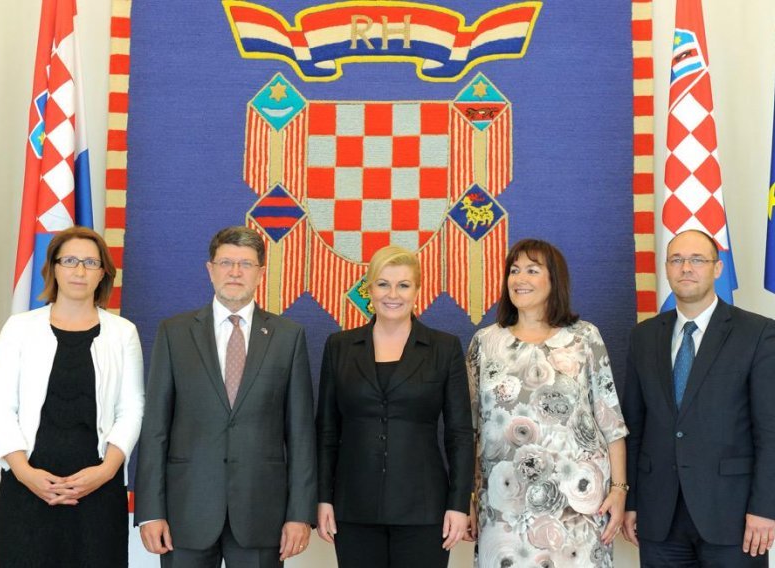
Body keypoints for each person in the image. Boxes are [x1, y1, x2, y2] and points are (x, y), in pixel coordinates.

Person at [134, 225, 316, 568]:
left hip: (261, 513)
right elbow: (155, 427)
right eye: (226, 263)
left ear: (260, 273)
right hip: (186, 511)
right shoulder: (174, 333)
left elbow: (301, 434)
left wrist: (300, 513)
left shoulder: (288, 337)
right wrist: (150, 511)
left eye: (246, 264)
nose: (235, 272)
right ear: (210, 269)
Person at [0, 226, 144, 567]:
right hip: (27, 488)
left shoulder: (123, 333)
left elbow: (132, 409)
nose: (79, 271)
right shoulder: (19, 328)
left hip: (99, 489)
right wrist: (26, 474)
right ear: (53, 268)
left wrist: (105, 471)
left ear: (103, 273)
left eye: (90, 262)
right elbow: (0, 407)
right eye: (70, 260)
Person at [466, 238, 628, 567]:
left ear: (555, 280)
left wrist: (619, 489)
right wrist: (467, 495)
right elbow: (470, 429)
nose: (519, 278)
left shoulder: (585, 338)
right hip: (504, 508)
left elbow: (611, 422)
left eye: (532, 270)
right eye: (514, 270)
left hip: (577, 507)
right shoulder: (485, 343)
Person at [622, 229, 775, 566]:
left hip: (733, 516)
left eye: (697, 260)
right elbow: (633, 427)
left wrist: (766, 508)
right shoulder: (643, 337)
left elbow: (770, 431)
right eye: (676, 260)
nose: (686, 268)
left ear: (717, 269)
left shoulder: (758, 334)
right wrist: (630, 501)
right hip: (658, 515)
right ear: (666, 268)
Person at [316, 245, 474, 568]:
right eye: (383, 284)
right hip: (353, 508)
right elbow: (327, 432)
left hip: (425, 509)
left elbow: (459, 434)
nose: (393, 294)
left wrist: (459, 503)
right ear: (369, 289)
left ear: (417, 290)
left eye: (403, 285)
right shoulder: (339, 347)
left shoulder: (444, 348)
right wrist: (322, 497)